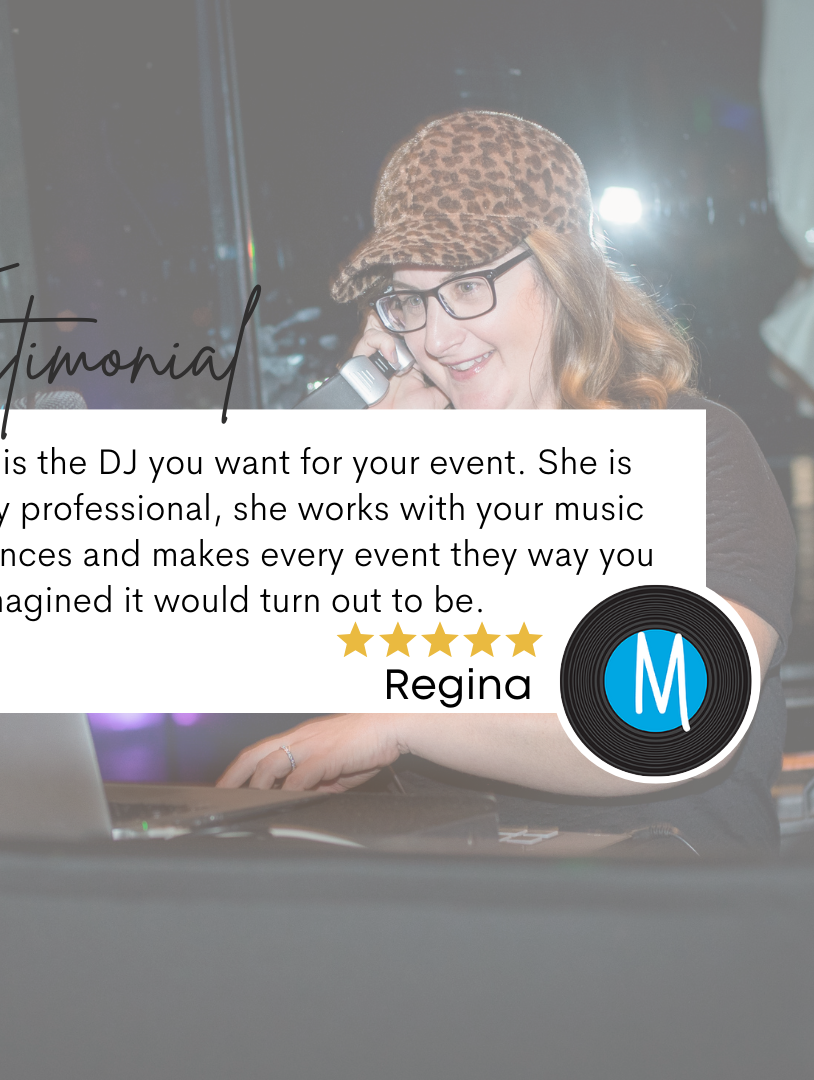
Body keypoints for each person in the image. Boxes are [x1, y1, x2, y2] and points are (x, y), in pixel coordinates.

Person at [218, 111, 796, 852]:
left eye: (466, 286)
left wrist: (404, 723)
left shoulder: (694, 449)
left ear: (561, 276)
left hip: (650, 895)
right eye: (410, 300)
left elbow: (674, 719)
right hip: (451, 894)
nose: (435, 337)